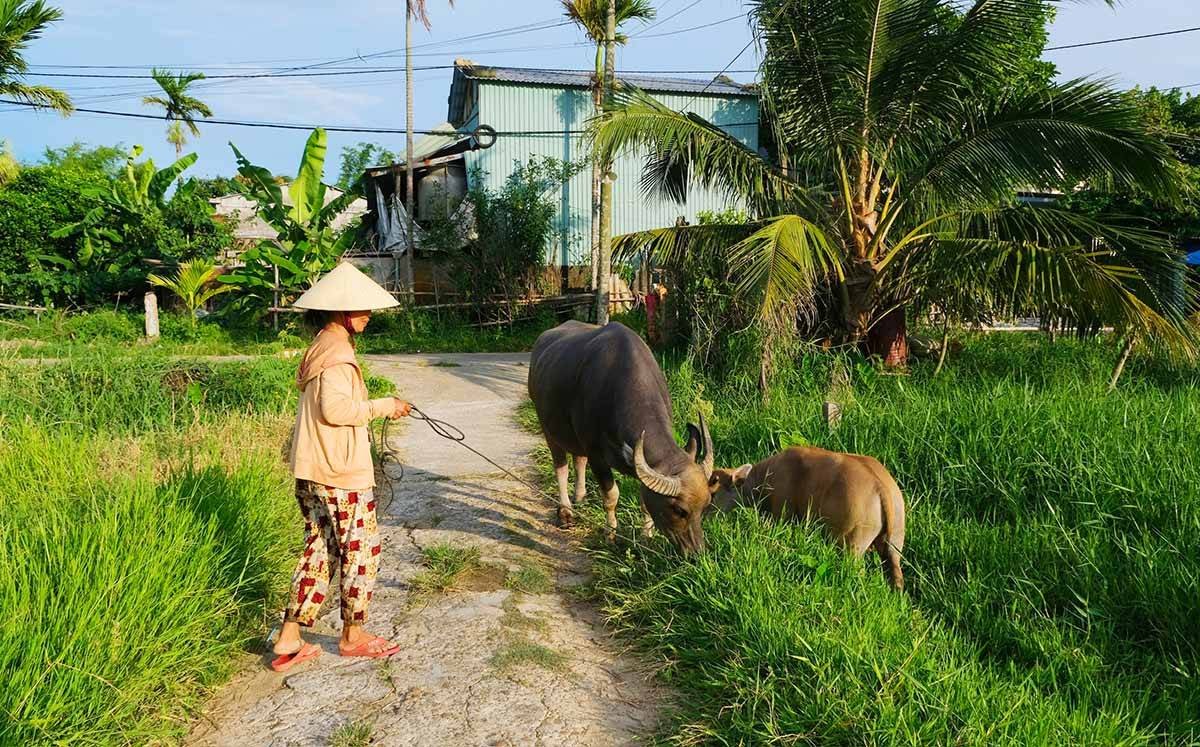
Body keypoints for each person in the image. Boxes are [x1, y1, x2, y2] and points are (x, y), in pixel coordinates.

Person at [271, 262, 413, 672]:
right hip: (339, 471)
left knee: (319, 548)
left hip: (314, 468)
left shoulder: (321, 346)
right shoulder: (337, 354)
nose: (368, 315)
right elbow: (336, 410)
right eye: (361, 308)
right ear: (340, 311)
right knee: (361, 549)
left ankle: (290, 636)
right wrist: (383, 406)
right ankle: (353, 636)